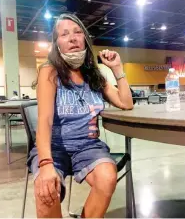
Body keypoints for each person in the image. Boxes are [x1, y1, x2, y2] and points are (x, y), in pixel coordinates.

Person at [29, 13, 133, 218]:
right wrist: (46, 165)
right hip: (54, 147)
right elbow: (45, 120)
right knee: (46, 192)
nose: (73, 38)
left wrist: (117, 69)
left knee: (107, 177)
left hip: (88, 146)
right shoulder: (49, 72)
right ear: (56, 43)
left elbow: (126, 103)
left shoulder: (94, 74)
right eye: (64, 34)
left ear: (85, 39)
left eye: (78, 32)